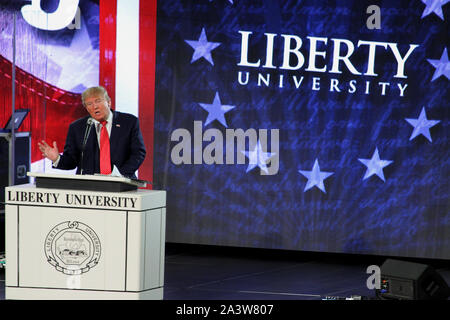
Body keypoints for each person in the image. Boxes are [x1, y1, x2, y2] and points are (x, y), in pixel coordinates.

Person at [38, 86, 146, 179]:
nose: (95, 106)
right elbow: (71, 161)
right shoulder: (77, 128)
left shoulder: (128, 122)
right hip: (89, 188)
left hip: (122, 184)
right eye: (89, 104)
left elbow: (138, 153)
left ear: (109, 102)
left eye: (98, 101)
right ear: (86, 108)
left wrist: (120, 175)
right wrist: (56, 158)